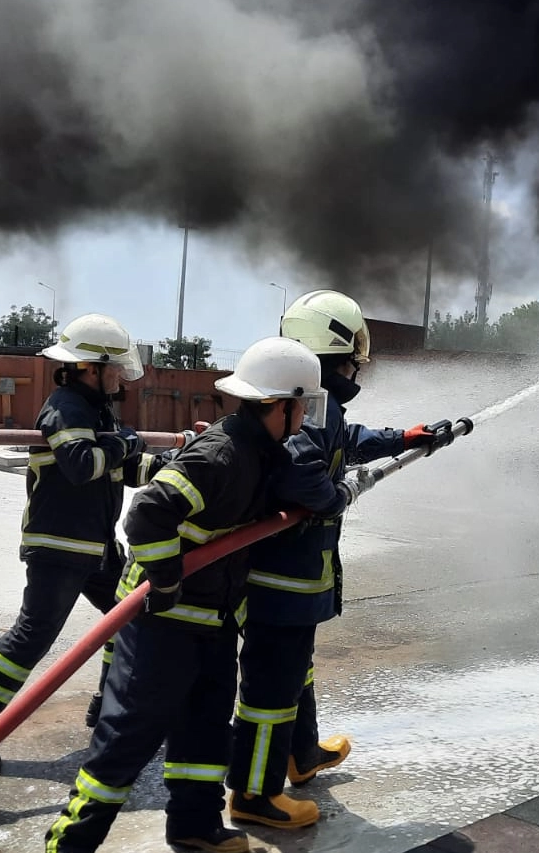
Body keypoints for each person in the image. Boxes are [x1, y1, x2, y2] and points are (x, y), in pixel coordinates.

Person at [44, 336, 327, 853]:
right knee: (129, 736)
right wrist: (168, 581)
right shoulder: (225, 455)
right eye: (302, 404)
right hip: (163, 617)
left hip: (211, 616)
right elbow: (148, 512)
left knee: (204, 726)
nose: (305, 415)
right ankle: (68, 843)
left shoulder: (261, 451)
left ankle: (195, 827)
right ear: (279, 404)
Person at [228, 291, 439, 828]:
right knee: (269, 691)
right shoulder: (300, 416)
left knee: (297, 673)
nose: (354, 369)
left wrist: (404, 438)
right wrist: (341, 493)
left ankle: (301, 756)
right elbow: (309, 481)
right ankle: (253, 795)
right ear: (329, 357)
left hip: (299, 580)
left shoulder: (320, 408)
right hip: (278, 583)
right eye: (350, 359)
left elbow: (352, 439)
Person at [0, 313, 167, 774]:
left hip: (94, 545)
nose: (119, 377)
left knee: (129, 618)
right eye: (113, 368)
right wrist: (127, 443)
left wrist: (171, 466)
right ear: (90, 368)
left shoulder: (95, 410)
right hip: (60, 546)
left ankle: (109, 709)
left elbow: (119, 468)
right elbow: (82, 463)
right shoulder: (65, 407)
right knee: (31, 638)